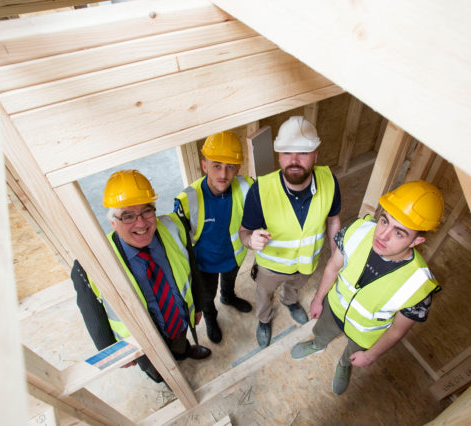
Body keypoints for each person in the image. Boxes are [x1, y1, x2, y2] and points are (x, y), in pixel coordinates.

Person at [289, 180, 444, 395]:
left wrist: (371, 355)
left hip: (364, 334)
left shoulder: (418, 285)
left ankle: (344, 364)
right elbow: (333, 267)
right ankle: (318, 344)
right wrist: (318, 298)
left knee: (353, 354)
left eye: (399, 233)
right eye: (384, 221)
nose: (382, 235)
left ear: (416, 242)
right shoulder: (358, 231)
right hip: (333, 308)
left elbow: (398, 330)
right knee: (322, 331)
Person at [72, 169, 211, 385]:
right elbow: (93, 316)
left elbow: (193, 269)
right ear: (112, 222)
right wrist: (113, 354)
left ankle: (184, 352)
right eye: (128, 216)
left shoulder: (174, 228)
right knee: (158, 368)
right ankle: (168, 380)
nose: (141, 223)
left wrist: (198, 306)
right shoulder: (91, 262)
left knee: (180, 343)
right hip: (141, 341)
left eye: (147, 211)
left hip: (178, 319)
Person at [239, 116, 341, 348]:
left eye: (302, 153)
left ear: (316, 154)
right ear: (278, 155)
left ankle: (289, 301)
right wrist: (250, 240)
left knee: (294, 287)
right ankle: (264, 320)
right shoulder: (261, 190)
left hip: (306, 264)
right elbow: (244, 232)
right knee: (264, 295)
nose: (293, 160)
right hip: (270, 269)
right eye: (286, 153)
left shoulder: (330, 182)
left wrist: (336, 255)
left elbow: (333, 219)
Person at [174, 130, 254, 344]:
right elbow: (181, 244)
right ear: (204, 165)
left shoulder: (247, 187)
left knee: (229, 281)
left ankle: (228, 297)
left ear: (238, 167)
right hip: (205, 264)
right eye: (216, 165)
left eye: (230, 166)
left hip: (233, 257)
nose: (223, 174)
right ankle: (211, 318)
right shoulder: (186, 200)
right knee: (206, 296)